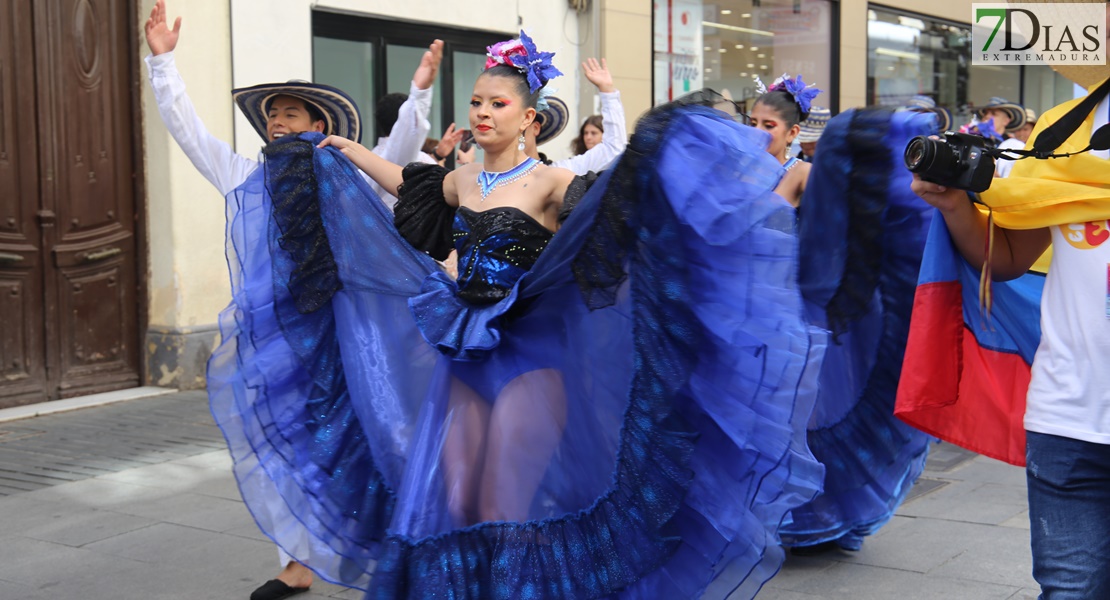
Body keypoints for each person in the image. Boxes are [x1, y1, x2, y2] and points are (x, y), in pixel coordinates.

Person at [215, 29, 827, 598]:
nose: (482, 112)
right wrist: (347, 151)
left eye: (497, 104)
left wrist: (656, 159)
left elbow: (613, 221)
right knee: (454, 500)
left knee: (507, 499)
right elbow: (409, 183)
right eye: (477, 101)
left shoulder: (554, 182)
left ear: (529, 119)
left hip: (533, 357)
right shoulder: (460, 179)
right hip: (462, 358)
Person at [142, 3, 441, 599]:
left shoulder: (347, 176)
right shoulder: (241, 175)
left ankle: (401, 543)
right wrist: (163, 62)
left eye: (290, 112)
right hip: (276, 336)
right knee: (284, 441)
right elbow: (188, 131)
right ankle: (296, 562)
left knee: (367, 435)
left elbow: (401, 147)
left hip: (349, 333)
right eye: (272, 114)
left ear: (316, 123)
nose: (278, 121)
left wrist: (419, 94)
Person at [908, 65, 1110, 599]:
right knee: (1071, 591)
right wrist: (954, 204)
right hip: (1068, 417)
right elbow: (1012, 256)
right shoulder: (1066, 128)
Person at [781, 106, 938, 553]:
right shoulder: (805, 174)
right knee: (812, 413)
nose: (759, 132)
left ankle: (822, 514)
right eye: (754, 123)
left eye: (766, 124)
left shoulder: (814, 173)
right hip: (828, 304)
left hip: (846, 304)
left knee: (819, 410)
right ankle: (820, 514)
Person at [525, 57, 628, 174]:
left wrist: (607, 91)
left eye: (524, 121)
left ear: (535, 128)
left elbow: (613, 149)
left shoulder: (558, 172)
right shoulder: (499, 179)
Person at [749, 74, 821, 207]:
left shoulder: (803, 172)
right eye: (753, 124)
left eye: (769, 126)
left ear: (792, 133)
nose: (757, 131)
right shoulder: (742, 171)